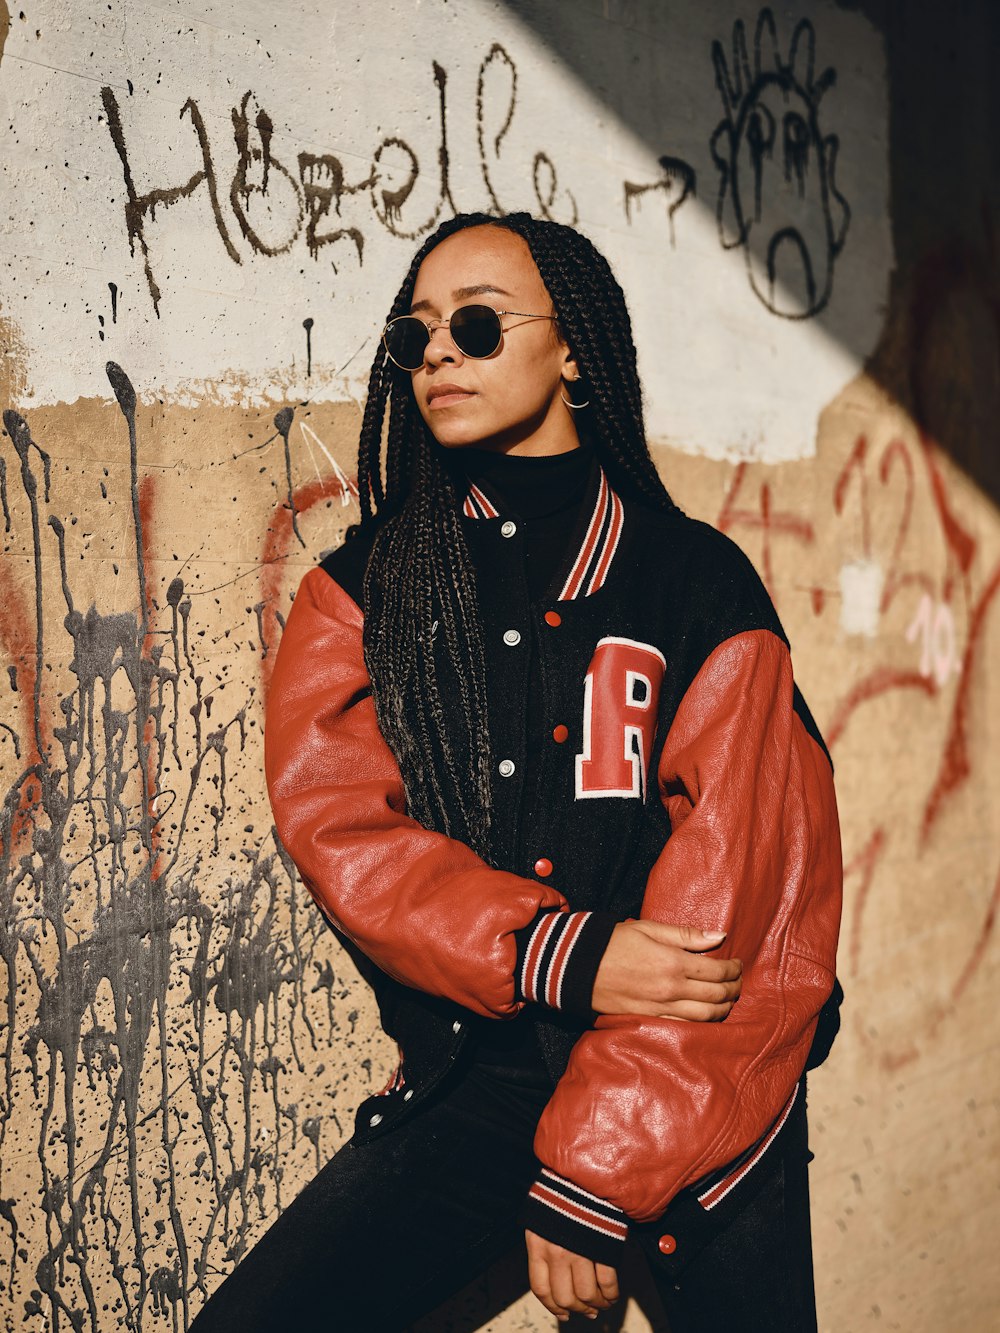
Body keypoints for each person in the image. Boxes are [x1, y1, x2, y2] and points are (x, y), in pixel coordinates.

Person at [190, 212, 842, 1331]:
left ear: (573, 349)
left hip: (694, 1077)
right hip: (485, 1076)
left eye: (479, 324)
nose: (438, 352)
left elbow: (739, 900)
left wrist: (596, 1168)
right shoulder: (362, 595)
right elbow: (346, 836)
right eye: (418, 334)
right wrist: (561, 953)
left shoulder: (694, 584)